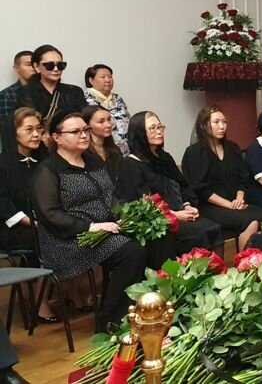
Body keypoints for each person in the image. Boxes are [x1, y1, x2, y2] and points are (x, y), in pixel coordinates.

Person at [29, 110, 173, 330]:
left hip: (107, 229)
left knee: (158, 239)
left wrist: (125, 216)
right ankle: (112, 323)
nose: (84, 135)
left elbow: (112, 195)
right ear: (57, 137)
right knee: (131, 252)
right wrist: (91, 226)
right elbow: (50, 215)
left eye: (85, 130)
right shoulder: (48, 170)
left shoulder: (92, 161)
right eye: (75, 131)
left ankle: (157, 309)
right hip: (69, 241)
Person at [117, 111, 221, 255]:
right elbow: (141, 204)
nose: (159, 131)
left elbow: (182, 185)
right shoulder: (130, 164)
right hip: (158, 222)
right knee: (203, 230)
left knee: (214, 228)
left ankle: (214, 268)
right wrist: (175, 215)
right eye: (152, 128)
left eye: (160, 127)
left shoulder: (165, 158)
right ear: (140, 133)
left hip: (180, 213)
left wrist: (187, 205)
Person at [182, 107, 262, 250]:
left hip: (235, 202)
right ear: (203, 125)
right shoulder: (194, 152)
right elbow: (200, 189)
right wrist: (229, 205)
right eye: (216, 122)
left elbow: (243, 178)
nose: (222, 126)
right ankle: (245, 261)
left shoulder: (232, 148)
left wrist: (239, 199)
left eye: (224, 122)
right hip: (209, 206)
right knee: (250, 222)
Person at [0, 107, 58, 323]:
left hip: (43, 222)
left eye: (39, 129)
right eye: (29, 129)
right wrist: (33, 222)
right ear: (13, 133)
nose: (36, 134)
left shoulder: (44, 161)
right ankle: (39, 303)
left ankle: (72, 292)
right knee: (45, 239)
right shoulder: (2, 164)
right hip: (11, 228)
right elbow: (3, 204)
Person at [16, 45, 86, 122]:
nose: (56, 69)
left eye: (60, 65)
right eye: (49, 65)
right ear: (36, 67)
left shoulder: (75, 91)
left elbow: (85, 118)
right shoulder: (26, 92)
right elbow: (31, 122)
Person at [83, 64, 130, 155]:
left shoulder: (118, 98)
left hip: (125, 150)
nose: (107, 80)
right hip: (101, 151)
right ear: (91, 80)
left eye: (110, 77)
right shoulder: (85, 99)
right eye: (103, 77)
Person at [82, 105, 123, 180]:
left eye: (109, 119)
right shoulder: (83, 152)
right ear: (87, 125)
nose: (108, 125)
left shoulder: (115, 150)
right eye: (101, 122)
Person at [0, 51, 36, 124]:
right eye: (29, 64)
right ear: (16, 68)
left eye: (35, 65)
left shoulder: (45, 90)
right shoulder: (6, 95)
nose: (33, 68)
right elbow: (6, 125)